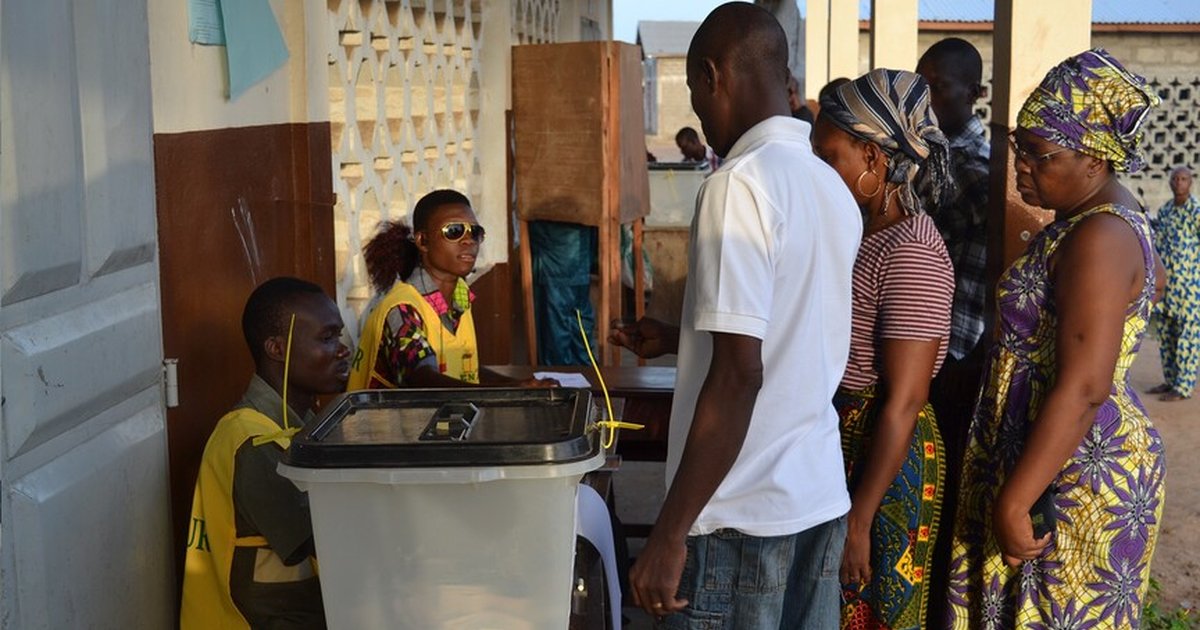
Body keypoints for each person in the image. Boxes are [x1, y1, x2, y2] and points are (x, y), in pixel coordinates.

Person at [612, 4, 862, 627]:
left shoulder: (738, 186)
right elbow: (790, 333)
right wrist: (681, 338)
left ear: (711, 74)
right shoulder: (830, 185)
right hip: (817, 500)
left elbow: (739, 377)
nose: (698, 113)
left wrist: (670, 530)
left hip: (739, 515)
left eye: (696, 95)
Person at [945, 49, 1165, 629]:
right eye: (1020, 149)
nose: (1020, 167)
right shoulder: (1086, 224)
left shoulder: (1101, 236)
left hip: (1072, 475)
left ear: (1094, 159)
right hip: (1051, 457)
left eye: (1039, 155)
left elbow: (1088, 383)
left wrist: (1016, 498)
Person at [813, 69, 955, 630]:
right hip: (848, 442)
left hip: (884, 460)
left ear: (873, 158)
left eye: (830, 157)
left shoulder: (913, 247)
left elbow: (905, 397)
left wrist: (860, 520)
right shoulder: (860, 232)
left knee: (874, 612)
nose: (820, 173)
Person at [180, 277, 350, 629]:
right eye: (327, 338)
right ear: (277, 349)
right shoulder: (250, 440)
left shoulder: (303, 424)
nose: (343, 349)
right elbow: (330, 538)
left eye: (339, 335)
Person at [915, 37, 991, 624]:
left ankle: (939, 604)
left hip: (956, 353)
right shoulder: (934, 154)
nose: (928, 96)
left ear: (975, 94)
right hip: (935, 349)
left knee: (938, 493)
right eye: (923, 83)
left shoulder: (970, 168)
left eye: (939, 86)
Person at [349, 189, 554, 387]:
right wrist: (511, 390)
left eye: (475, 232)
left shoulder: (460, 295)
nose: (468, 241)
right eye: (454, 231)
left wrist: (519, 385)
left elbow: (466, 372)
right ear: (422, 240)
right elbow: (423, 382)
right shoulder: (402, 309)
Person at [1148, 166, 1200, 401]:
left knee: (1187, 336)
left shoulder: (1196, 211)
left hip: (1190, 288)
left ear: (1190, 183)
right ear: (1170, 182)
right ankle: (1170, 381)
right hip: (1168, 287)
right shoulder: (1167, 210)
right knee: (1167, 334)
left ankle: (1183, 387)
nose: (1179, 183)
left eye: (1183, 179)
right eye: (1175, 179)